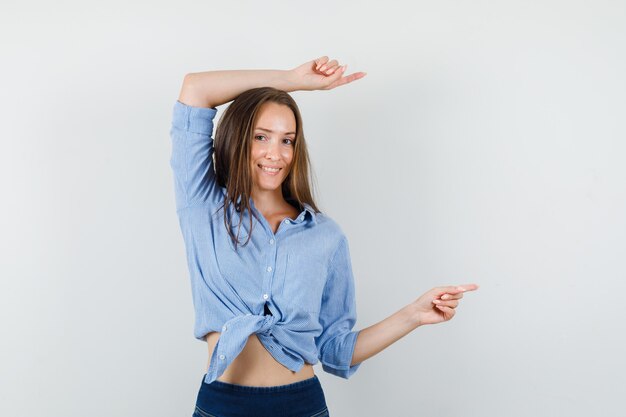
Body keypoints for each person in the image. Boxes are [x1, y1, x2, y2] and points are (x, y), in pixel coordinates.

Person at [169, 55, 479, 417]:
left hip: (303, 406)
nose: (276, 153)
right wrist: (290, 80)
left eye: (287, 140)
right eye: (261, 137)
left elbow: (335, 350)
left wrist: (413, 314)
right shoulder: (203, 206)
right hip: (222, 405)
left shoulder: (325, 236)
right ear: (238, 139)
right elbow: (195, 88)